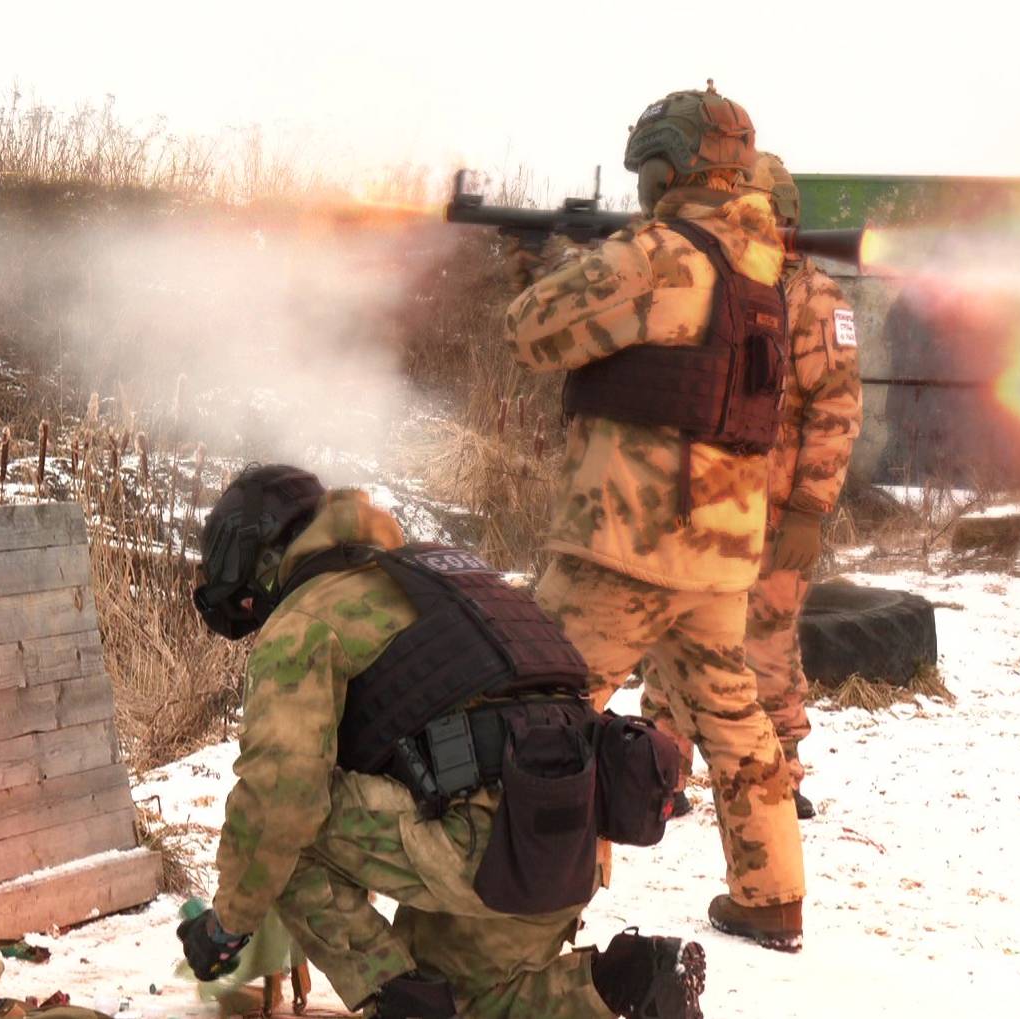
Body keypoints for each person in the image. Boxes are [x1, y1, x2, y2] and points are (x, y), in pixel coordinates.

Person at [178, 464, 707, 1019]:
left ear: (263, 564)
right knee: (471, 997)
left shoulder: (307, 617)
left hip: (480, 843)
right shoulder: (440, 573)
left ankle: (400, 1004)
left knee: (287, 835)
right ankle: (631, 981)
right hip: (569, 836)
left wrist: (226, 926)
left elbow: (278, 800)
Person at [506, 85, 807, 951]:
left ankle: (529, 903)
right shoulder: (760, 263)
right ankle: (771, 892)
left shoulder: (658, 255)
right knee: (734, 718)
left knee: (541, 713)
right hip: (718, 552)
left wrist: (534, 265)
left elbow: (531, 333)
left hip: (626, 544)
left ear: (664, 166)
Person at [641, 152, 864, 822]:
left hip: (774, 513)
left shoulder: (815, 297)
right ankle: (659, 770)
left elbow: (836, 409)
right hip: (706, 501)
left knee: (765, 641)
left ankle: (780, 777)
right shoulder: (720, 284)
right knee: (674, 635)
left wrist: (807, 511)